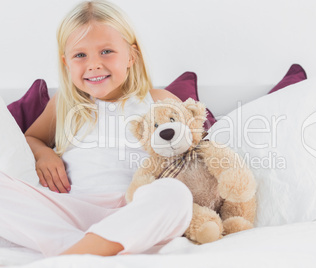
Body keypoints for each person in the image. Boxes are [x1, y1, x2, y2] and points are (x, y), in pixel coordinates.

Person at [0, 0, 193, 257]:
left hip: (132, 209)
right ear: (66, 63)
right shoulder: (65, 104)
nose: (93, 64)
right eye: (80, 55)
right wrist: (44, 153)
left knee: (175, 194)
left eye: (106, 52)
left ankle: (73, 254)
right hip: (71, 208)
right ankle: (84, 247)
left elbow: (195, 154)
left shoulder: (158, 100)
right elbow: (32, 137)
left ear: (131, 56)